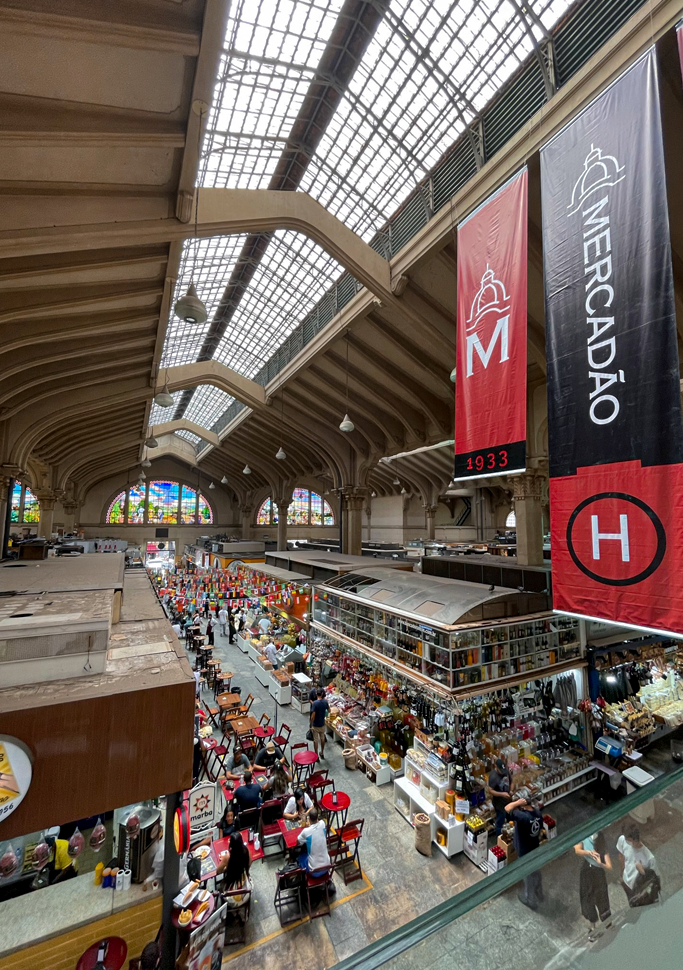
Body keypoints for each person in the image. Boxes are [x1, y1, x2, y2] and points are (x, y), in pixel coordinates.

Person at [506, 788, 544, 910]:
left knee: (527, 875)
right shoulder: (537, 813)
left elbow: (507, 809)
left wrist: (517, 803)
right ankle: (539, 893)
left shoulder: (522, 816)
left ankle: (530, 899)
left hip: (524, 850)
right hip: (535, 847)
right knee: (536, 871)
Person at [575, 830, 612, 941]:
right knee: (588, 900)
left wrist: (600, 862)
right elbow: (577, 850)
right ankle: (593, 926)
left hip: (597, 874)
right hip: (587, 872)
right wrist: (589, 853)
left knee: (602, 900)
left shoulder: (601, 844)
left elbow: (609, 866)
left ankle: (608, 924)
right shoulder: (584, 837)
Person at [616, 822, 660, 906]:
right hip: (627, 884)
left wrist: (642, 871)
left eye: (626, 838)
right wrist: (622, 876)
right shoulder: (622, 840)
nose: (625, 839)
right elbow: (621, 857)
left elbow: (654, 879)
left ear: (631, 838)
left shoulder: (649, 858)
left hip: (640, 891)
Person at [216, 833, 252, 907]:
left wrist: (226, 868)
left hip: (231, 897)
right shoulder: (246, 851)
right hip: (245, 893)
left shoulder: (228, 857)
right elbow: (249, 863)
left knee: (221, 888)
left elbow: (218, 871)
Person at [296, 807, 330, 876]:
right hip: (327, 867)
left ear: (309, 819)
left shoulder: (306, 832)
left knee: (300, 857)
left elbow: (298, 841)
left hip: (314, 872)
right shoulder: (323, 824)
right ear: (317, 817)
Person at [488, 758, 512, 836]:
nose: (502, 772)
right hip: (499, 804)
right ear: (496, 767)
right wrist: (502, 794)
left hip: (508, 800)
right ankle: (499, 837)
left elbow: (512, 782)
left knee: (510, 818)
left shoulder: (505, 771)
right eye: (501, 770)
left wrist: (511, 790)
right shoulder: (493, 776)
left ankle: (510, 833)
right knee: (500, 821)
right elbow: (490, 790)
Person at [310, 687, 330, 760]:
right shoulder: (325, 702)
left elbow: (313, 715)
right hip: (322, 723)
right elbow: (329, 710)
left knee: (315, 740)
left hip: (315, 724)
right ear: (322, 694)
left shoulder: (315, 703)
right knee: (322, 738)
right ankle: (322, 752)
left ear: (316, 694)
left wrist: (311, 723)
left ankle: (316, 755)